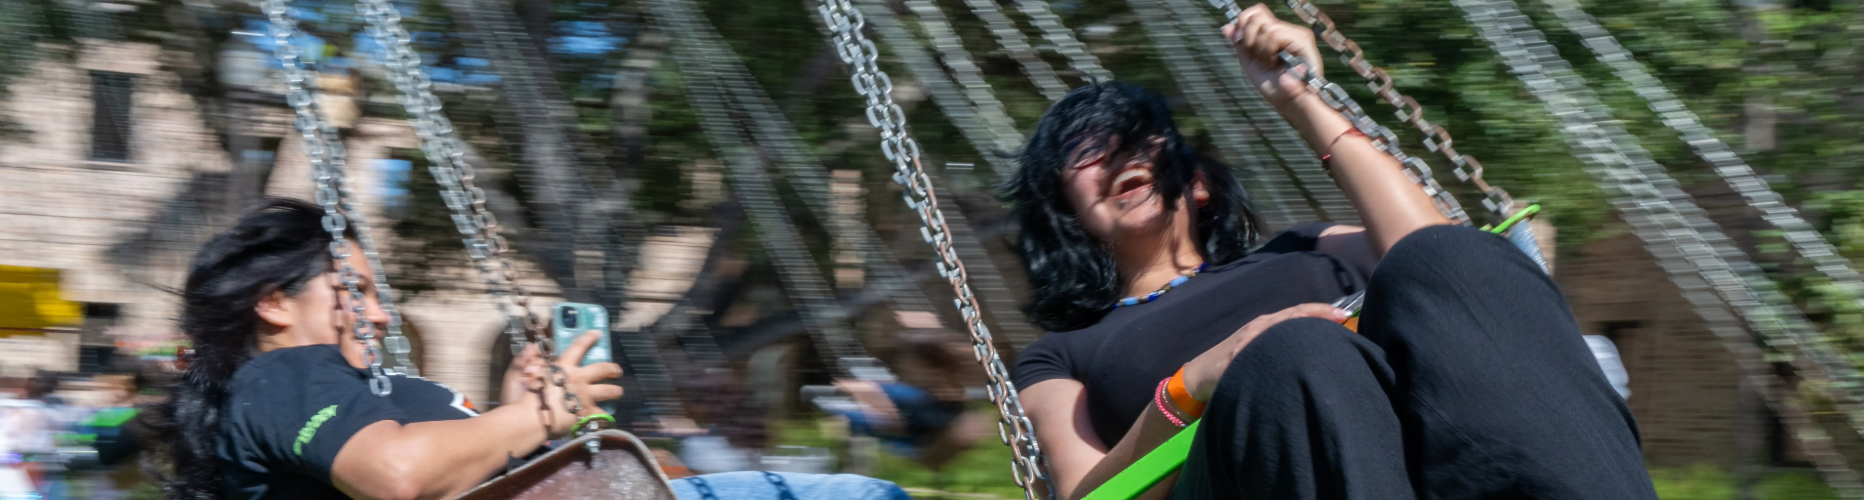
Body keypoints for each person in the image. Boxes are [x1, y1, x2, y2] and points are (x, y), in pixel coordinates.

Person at [1003, 5, 1656, 499]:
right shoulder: (1062, 353)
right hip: (1237, 467)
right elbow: (1086, 490)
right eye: (1084, 150)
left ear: (1197, 183)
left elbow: (1445, 261)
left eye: (1141, 137)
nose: (1117, 151)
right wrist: (1194, 383)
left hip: (1411, 453)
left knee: (1446, 258)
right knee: (1296, 355)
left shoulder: (1306, 246)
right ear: (1064, 211)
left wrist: (1299, 97)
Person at [140, 198, 910, 500]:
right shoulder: (280, 375)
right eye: (356, 292)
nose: (377, 313)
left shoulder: (321, 384)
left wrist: (509, 410)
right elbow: (399, 474)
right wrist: (546, 411)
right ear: (273, 303)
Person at [830, 330, 991, 470]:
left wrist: (874, 402)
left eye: (910, 362)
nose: (904, 366)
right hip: (923, 424)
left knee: (851, 411)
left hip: (917, 432)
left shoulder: (922, 400)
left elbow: (896, 424)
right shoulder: (939, 392)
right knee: (861, 398)